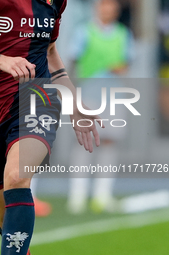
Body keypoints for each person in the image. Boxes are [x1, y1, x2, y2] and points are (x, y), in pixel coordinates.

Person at [0, 0, 103, 254]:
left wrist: (73, 101)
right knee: (5, 217)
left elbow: (49, 50)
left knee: (17, 177)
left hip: (36, 99)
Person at [67, 0, 134, 214]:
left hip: (112, 95)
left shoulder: (123, 33)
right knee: (84, 142)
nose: (108, 10)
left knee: (109, 142)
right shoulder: (84, 32)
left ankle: (102, 195)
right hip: (89, 93)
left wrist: (119, 68)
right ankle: (77, 196)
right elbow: (73, 61)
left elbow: (126, 62)